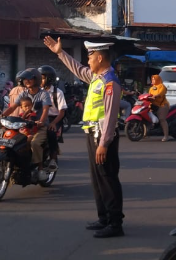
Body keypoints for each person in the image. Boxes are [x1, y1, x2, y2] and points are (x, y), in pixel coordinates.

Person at [44, 36, 124, 238]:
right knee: (97, 178)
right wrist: (60, 53)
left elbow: (110, 115)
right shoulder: (96, 77)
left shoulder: (109, 82)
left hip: (103, 136)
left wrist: (104, 144)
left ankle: (115, 224)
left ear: (99, 58)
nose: (87, 61)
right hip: (91, 133)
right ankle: (104, 218)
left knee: (107, 178)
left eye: (90, 57)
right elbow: (78, 69)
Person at [0, 68, 51, 182]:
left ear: (36, 79)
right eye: (25, 79)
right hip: (24, 124)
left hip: (38, 127)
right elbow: (12, 107)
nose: (26, 81)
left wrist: (40, 121)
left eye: (29, 78)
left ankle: (40, 168)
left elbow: (45, 110)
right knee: (11, 139)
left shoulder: (44, 94)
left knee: (35, 143)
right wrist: (1, 116)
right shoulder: (23, 93)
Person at [39, 65, 67, 171]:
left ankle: (53, 159)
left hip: (54, 118)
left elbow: (62, 112)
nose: (39, 80)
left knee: (51, 133)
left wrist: (54, 123)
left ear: (49, 78)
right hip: (41, 117)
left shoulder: (58, 93)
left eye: (42, 78)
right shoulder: (38, 91)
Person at [149, 75, 170, 142]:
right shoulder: (151, 88)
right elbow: (149, 95)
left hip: (162, 105)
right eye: (152, 79)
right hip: (153, 105)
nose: (152, 80)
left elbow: (161, 93)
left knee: (162, 119)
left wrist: (156, 95)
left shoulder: (162, 86)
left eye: (154, 79)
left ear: (158, 80)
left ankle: (166, 136)